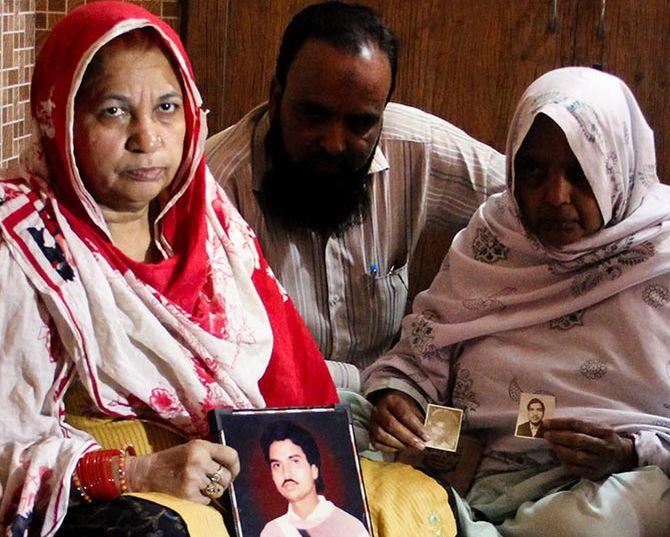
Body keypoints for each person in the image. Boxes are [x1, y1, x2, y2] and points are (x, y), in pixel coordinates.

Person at [0, 4, 460, 536]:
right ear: (58, 116)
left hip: (249, 456)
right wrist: (137, 471)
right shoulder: (23, 242)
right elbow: (8, 442)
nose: (147, 138)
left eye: (167, 107)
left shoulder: (203, 212)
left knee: (414, 503)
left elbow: (283, 373)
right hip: (130, 486)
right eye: (114, 111)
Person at [365, 67, 670, 535]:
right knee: (340, 442)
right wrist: (398, 399)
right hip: (469, 463)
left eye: (581, 172)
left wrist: (631, 453)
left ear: (618, 167)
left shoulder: (661, 252)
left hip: (605, 482)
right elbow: (421, 355)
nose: (555, 196)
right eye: (533, 171)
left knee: (592, 523)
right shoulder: (494, 237)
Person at [205, 1, 505, 375]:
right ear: (276, 97)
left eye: (360, 123)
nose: (334, 143)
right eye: (314, 114)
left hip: (391, 407)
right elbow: (218, 359)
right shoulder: (212, 186)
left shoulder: (415, 146)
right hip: (268, 405)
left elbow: (539, 201)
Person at [259, 421, 370, 537]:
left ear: (314, 469)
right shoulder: (271, 531)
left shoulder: (350, 527)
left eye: (295, 461)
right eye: (277, 465)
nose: (286, 474)